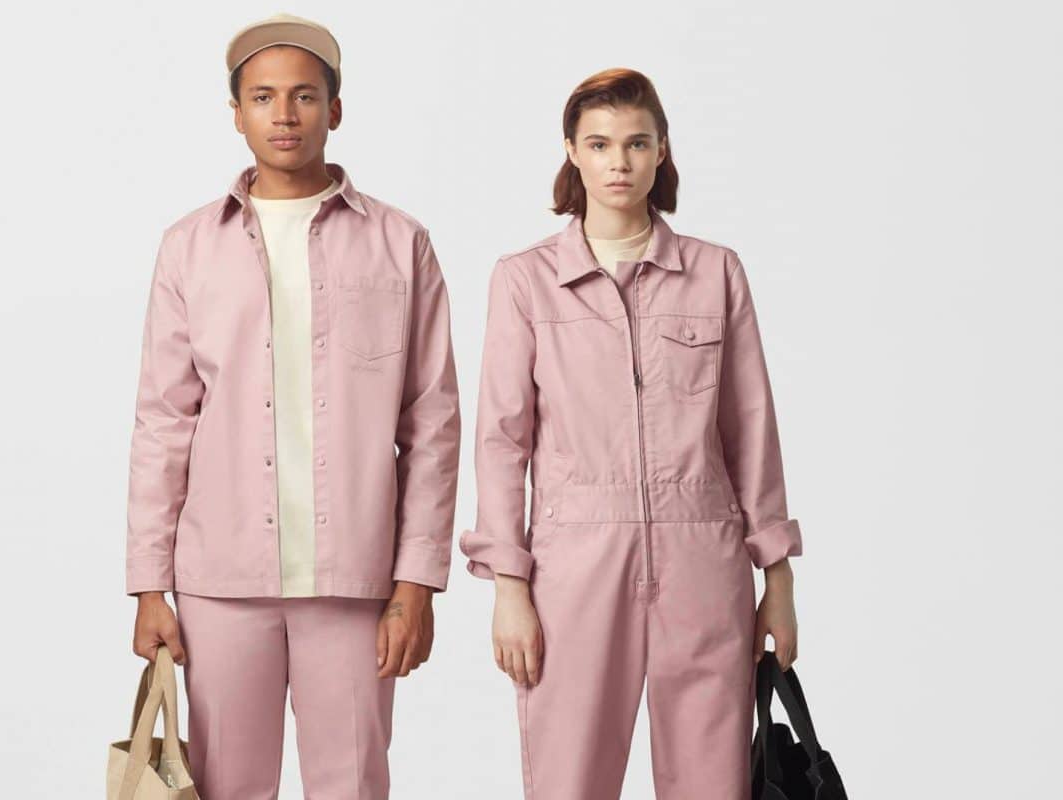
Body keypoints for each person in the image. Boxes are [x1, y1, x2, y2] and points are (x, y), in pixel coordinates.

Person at [124, 14, 461, 799]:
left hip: (355, 579)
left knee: (353, 785)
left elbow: (433, 425)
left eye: (304, 96)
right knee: (225, 787)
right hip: (220, 578)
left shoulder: (400, 243)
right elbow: (163, 420)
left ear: (334, 109)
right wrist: (148, 584)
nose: (284, 114)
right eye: (263, 97)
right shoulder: (188, 246)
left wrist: (417, 583)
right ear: (236, 113)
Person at [458, 67, 802, 799]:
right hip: (574, 568)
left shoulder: (714, 273)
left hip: (703, 561)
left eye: (637, 143)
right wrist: (509, 585)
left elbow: (751, 428)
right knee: (570, 782)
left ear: (661, 150)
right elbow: (501, 442)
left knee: (712, 786)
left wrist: (777, 576)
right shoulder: (525, 281)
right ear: (572, 152)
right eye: (600, 144)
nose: (619, 162)